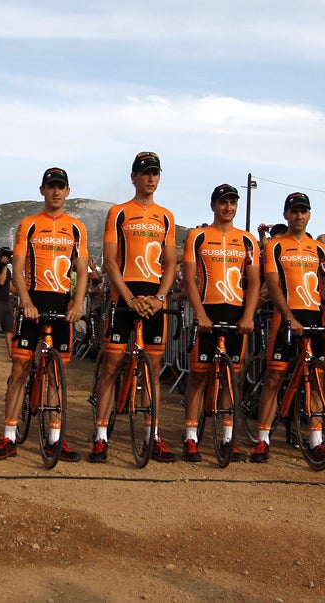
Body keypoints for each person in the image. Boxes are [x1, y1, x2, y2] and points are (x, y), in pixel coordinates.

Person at [0, 167, 88, 462]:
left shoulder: (77, 227)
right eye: (51, 186)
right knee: (19, 371)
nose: (56, 192)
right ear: (42, 190)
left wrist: (77, 304)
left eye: (61, 187)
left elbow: (81, 271)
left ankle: (56, 438)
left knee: (57, 375)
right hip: (33, 305)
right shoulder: (28, 224)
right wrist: (27, 302)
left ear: (68, 191)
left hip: (61, 305)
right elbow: (17, 269)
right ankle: (8, 436)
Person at [90, 151, 179, 464]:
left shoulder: (166, 216)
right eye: (145, 173)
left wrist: (159, 297)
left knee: (152, 371)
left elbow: (170, 264)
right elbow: (110, 261)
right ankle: (100, 437)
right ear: (133, 177)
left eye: (155, 173)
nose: (150, 178)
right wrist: (128, 298)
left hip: (154, 298)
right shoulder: (118, 212)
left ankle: (151, 435)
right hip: (123, 298)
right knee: (112, 368)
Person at [250, 193, 325, 464]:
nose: (299, 216)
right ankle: (262, 440)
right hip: (286, 318)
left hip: (314, 316)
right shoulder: (275, 246)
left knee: (315, 379)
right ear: (286, 215)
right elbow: (273, 285)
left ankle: (315, 440)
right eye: (294, 211)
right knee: (274, 380)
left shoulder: (320, 249)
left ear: (309, 215)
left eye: (303, 211)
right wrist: (289, 316)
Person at [181, 184, 260, 463]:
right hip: (208, 312)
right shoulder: (198, 236)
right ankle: (191, 437)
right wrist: (200, 313)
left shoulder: (248, 240)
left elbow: (253, 283)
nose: (228, 207)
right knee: (199, 377)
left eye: (232, 202)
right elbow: (189, 278)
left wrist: (249, 315)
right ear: (213, 206)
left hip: (236, 313)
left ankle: (228, 438)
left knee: (230, 379)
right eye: (223, 202)